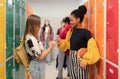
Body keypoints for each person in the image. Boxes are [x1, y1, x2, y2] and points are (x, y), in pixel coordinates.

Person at [56, 5, 101, 79]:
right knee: (72, 76)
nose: (70, 23)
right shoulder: (71, 31)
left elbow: (93, 50)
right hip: (71, 57)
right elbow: (68, 44)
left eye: (72, 20)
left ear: (78, 19)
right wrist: (61, 42)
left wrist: (86, 61)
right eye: (69, 20)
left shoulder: (86, 33)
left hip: (81, 58)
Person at [24, 14, 55, 79]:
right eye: (39, 24)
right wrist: (50, 47)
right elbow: (40, 57)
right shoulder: (30, 39)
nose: (40, 26)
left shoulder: (33, 37)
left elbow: (41, 52)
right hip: (36, 66)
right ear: (34, 25)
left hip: (37, 65)